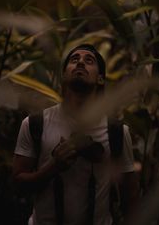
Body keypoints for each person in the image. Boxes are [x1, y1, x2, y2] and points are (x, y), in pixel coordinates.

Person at [12, 44, 140, 225]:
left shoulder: (117, 132)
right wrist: (53, 167)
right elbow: (17, 185)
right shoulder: (35, 124)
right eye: (74, 60)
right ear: (64, 76)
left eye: (89, 61)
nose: (80, 62)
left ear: (101, 79)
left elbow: (130, 196)